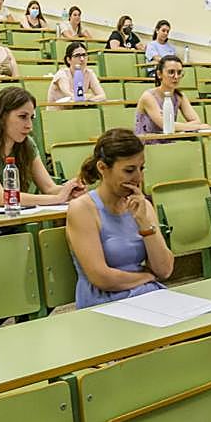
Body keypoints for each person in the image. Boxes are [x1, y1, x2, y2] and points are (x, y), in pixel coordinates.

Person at [66, 128, 174, 309]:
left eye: (141, 168)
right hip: (103, 302)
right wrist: (145, 278)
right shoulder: (82, 209)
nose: (138, 177)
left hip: (144, 295)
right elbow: (101, 277)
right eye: (129, 170)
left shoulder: (142, 206)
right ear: (102, 168)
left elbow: (164, 270)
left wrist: (145, 224)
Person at [0, 85, 84, 213]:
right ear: (1, 116)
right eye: (22, 117)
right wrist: (57, 199)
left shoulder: (27, 144)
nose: (29, 125)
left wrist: (68, 190)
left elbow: (49, 188)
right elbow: (2, 198)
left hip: (10, 221)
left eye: (31, 118)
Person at [134, 55, 208, 134]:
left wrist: (181, 127)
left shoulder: (180, 96)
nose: (176, 77)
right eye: (171, 72)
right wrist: (198, 127)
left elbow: (196, 121)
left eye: (179, 72)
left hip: (169, 141)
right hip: (147, 142)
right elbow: (165, 125)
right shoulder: (148, 96)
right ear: (159, 74)